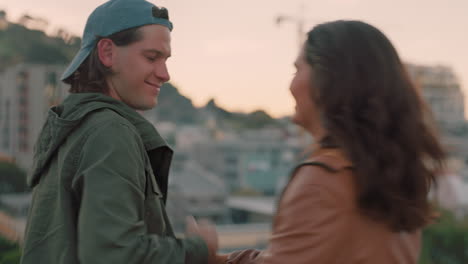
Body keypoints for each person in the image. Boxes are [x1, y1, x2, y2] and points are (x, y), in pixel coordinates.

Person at [219, 20, 445, 264]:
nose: (290, 86)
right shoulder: (394, 179)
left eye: (297, 70)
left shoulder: (323, 180)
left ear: (327, 80)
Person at [20, 0, 218, 263]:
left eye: (166, 60)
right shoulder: (109, 132)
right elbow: (114, 254)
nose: (165, 74)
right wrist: (199, 248)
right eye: (151, 57)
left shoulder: (77, 127)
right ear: (107, 53)